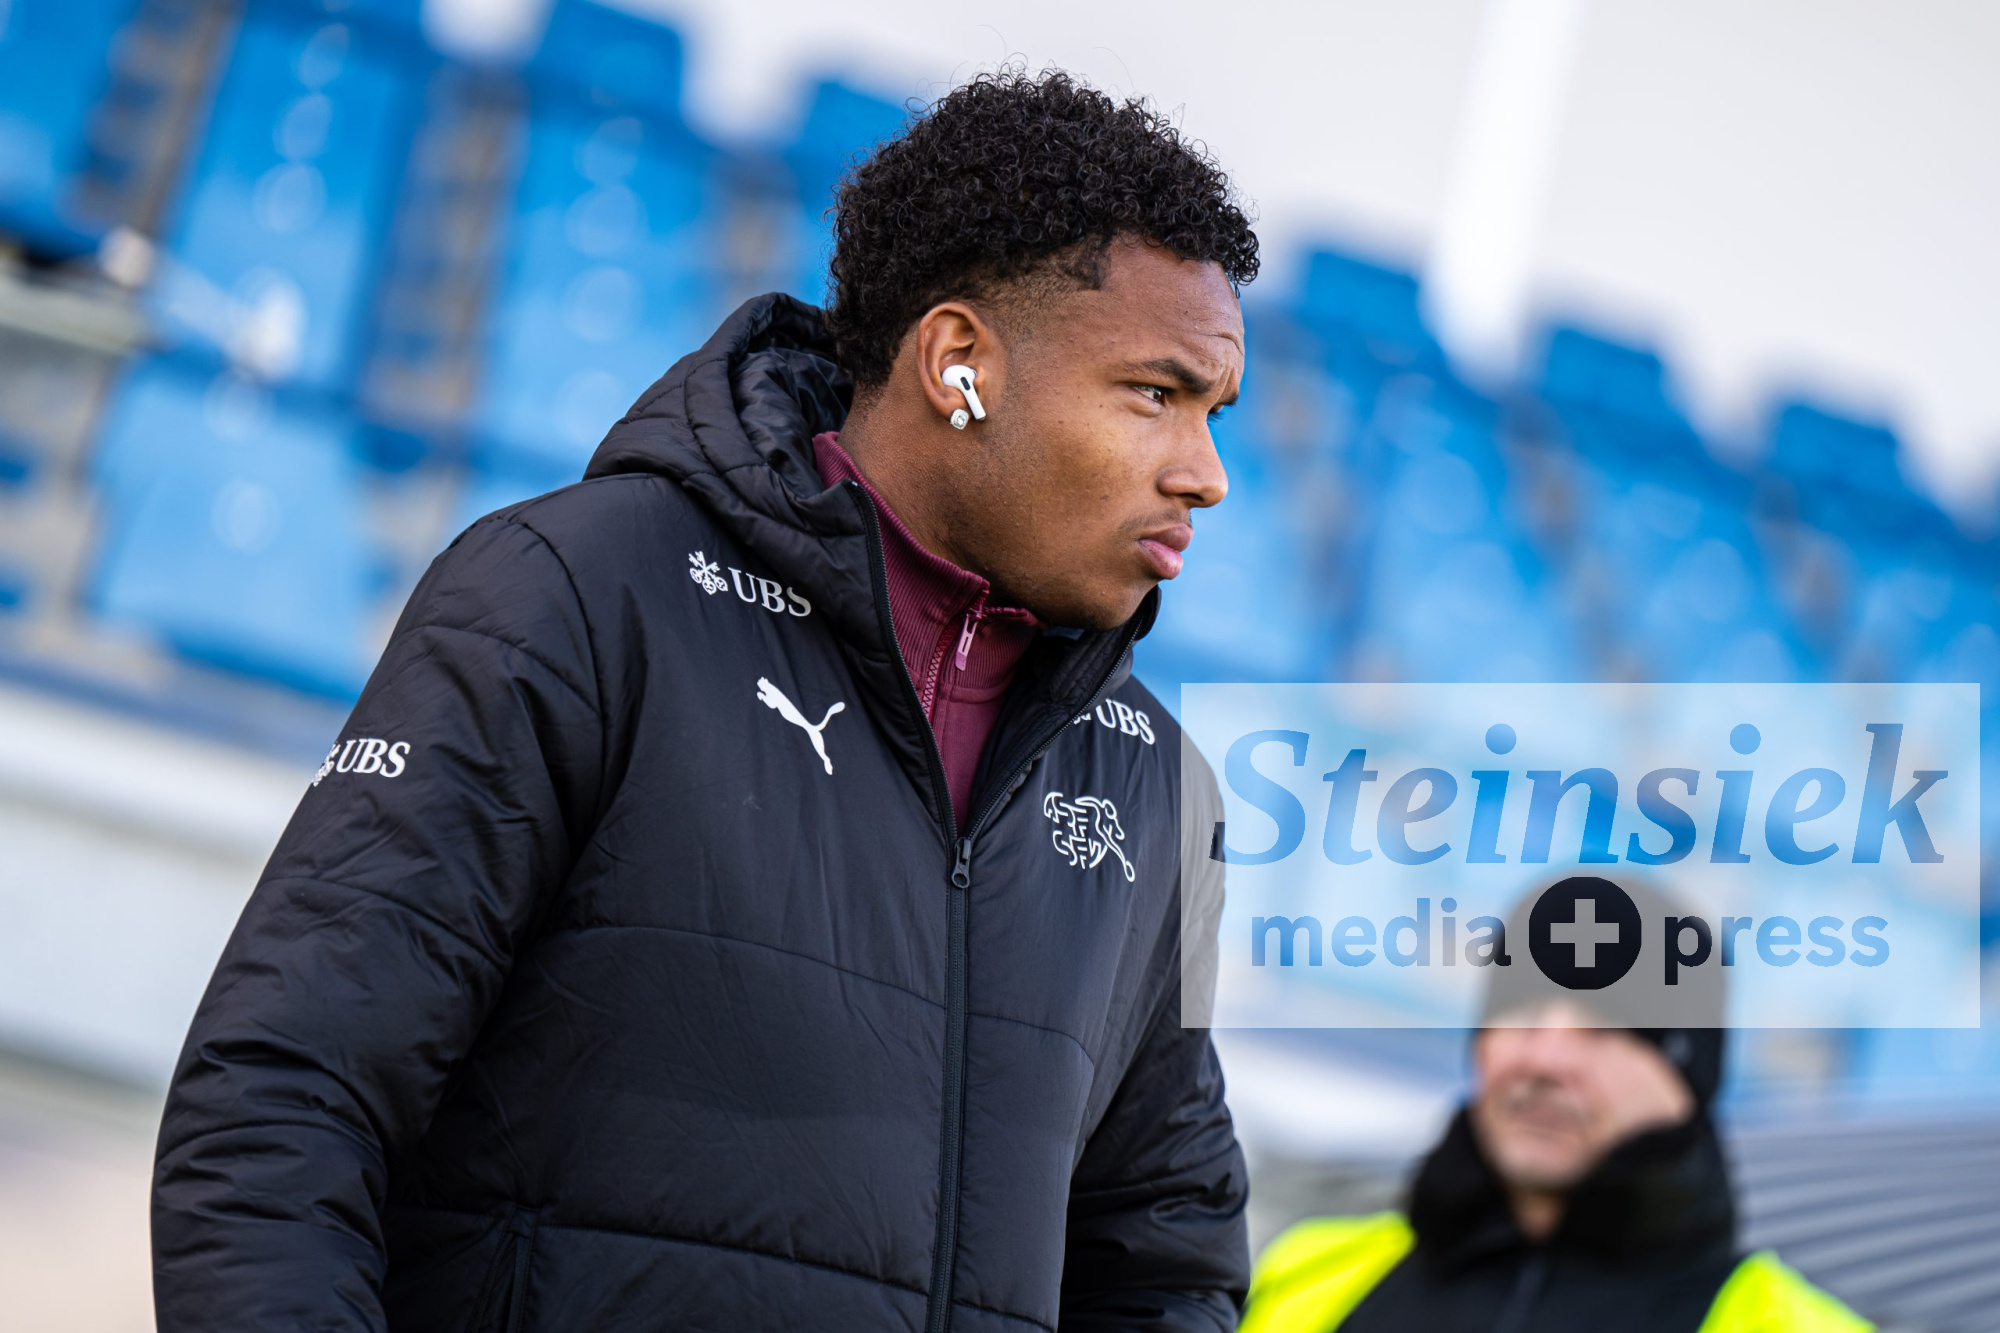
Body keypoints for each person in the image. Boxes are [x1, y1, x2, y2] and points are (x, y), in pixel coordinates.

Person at [151, 70, 1258, 1332]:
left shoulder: (1155, 786)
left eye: (1213, 414)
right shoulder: (577, 596)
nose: (1205, 474)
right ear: (960, 366)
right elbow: (282, 1111)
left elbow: (1163, 1264)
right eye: (1155, 395)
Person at [1239, 878, 1870, 1333]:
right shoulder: (1309, 1272)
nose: (1545, 1061)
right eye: (1522, 1015)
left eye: (1604, 1026)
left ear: (1686, 1082)